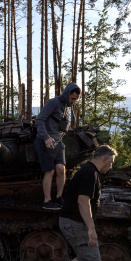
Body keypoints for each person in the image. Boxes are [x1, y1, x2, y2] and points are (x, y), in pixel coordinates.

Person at [46, 145, 118, 261]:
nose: (111, 166)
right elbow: (82, 202)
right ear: (105, 158)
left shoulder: (88, 170)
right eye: (112, 162)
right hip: (75, 222)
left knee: (87, 255)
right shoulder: (90, 173)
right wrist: (91, 229)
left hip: (74, 221)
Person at [35, 82, 81, 210]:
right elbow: (39, 120)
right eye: (73, 98)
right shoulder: (53, 103)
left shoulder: (66, 106)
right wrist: (46, 138)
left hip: (58, 141)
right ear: (67, 94)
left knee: (61, 169)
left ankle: (59, 197)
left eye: (76, 99)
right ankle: (47, 201)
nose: (74, 102)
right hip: (46, 141)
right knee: (50, 171)